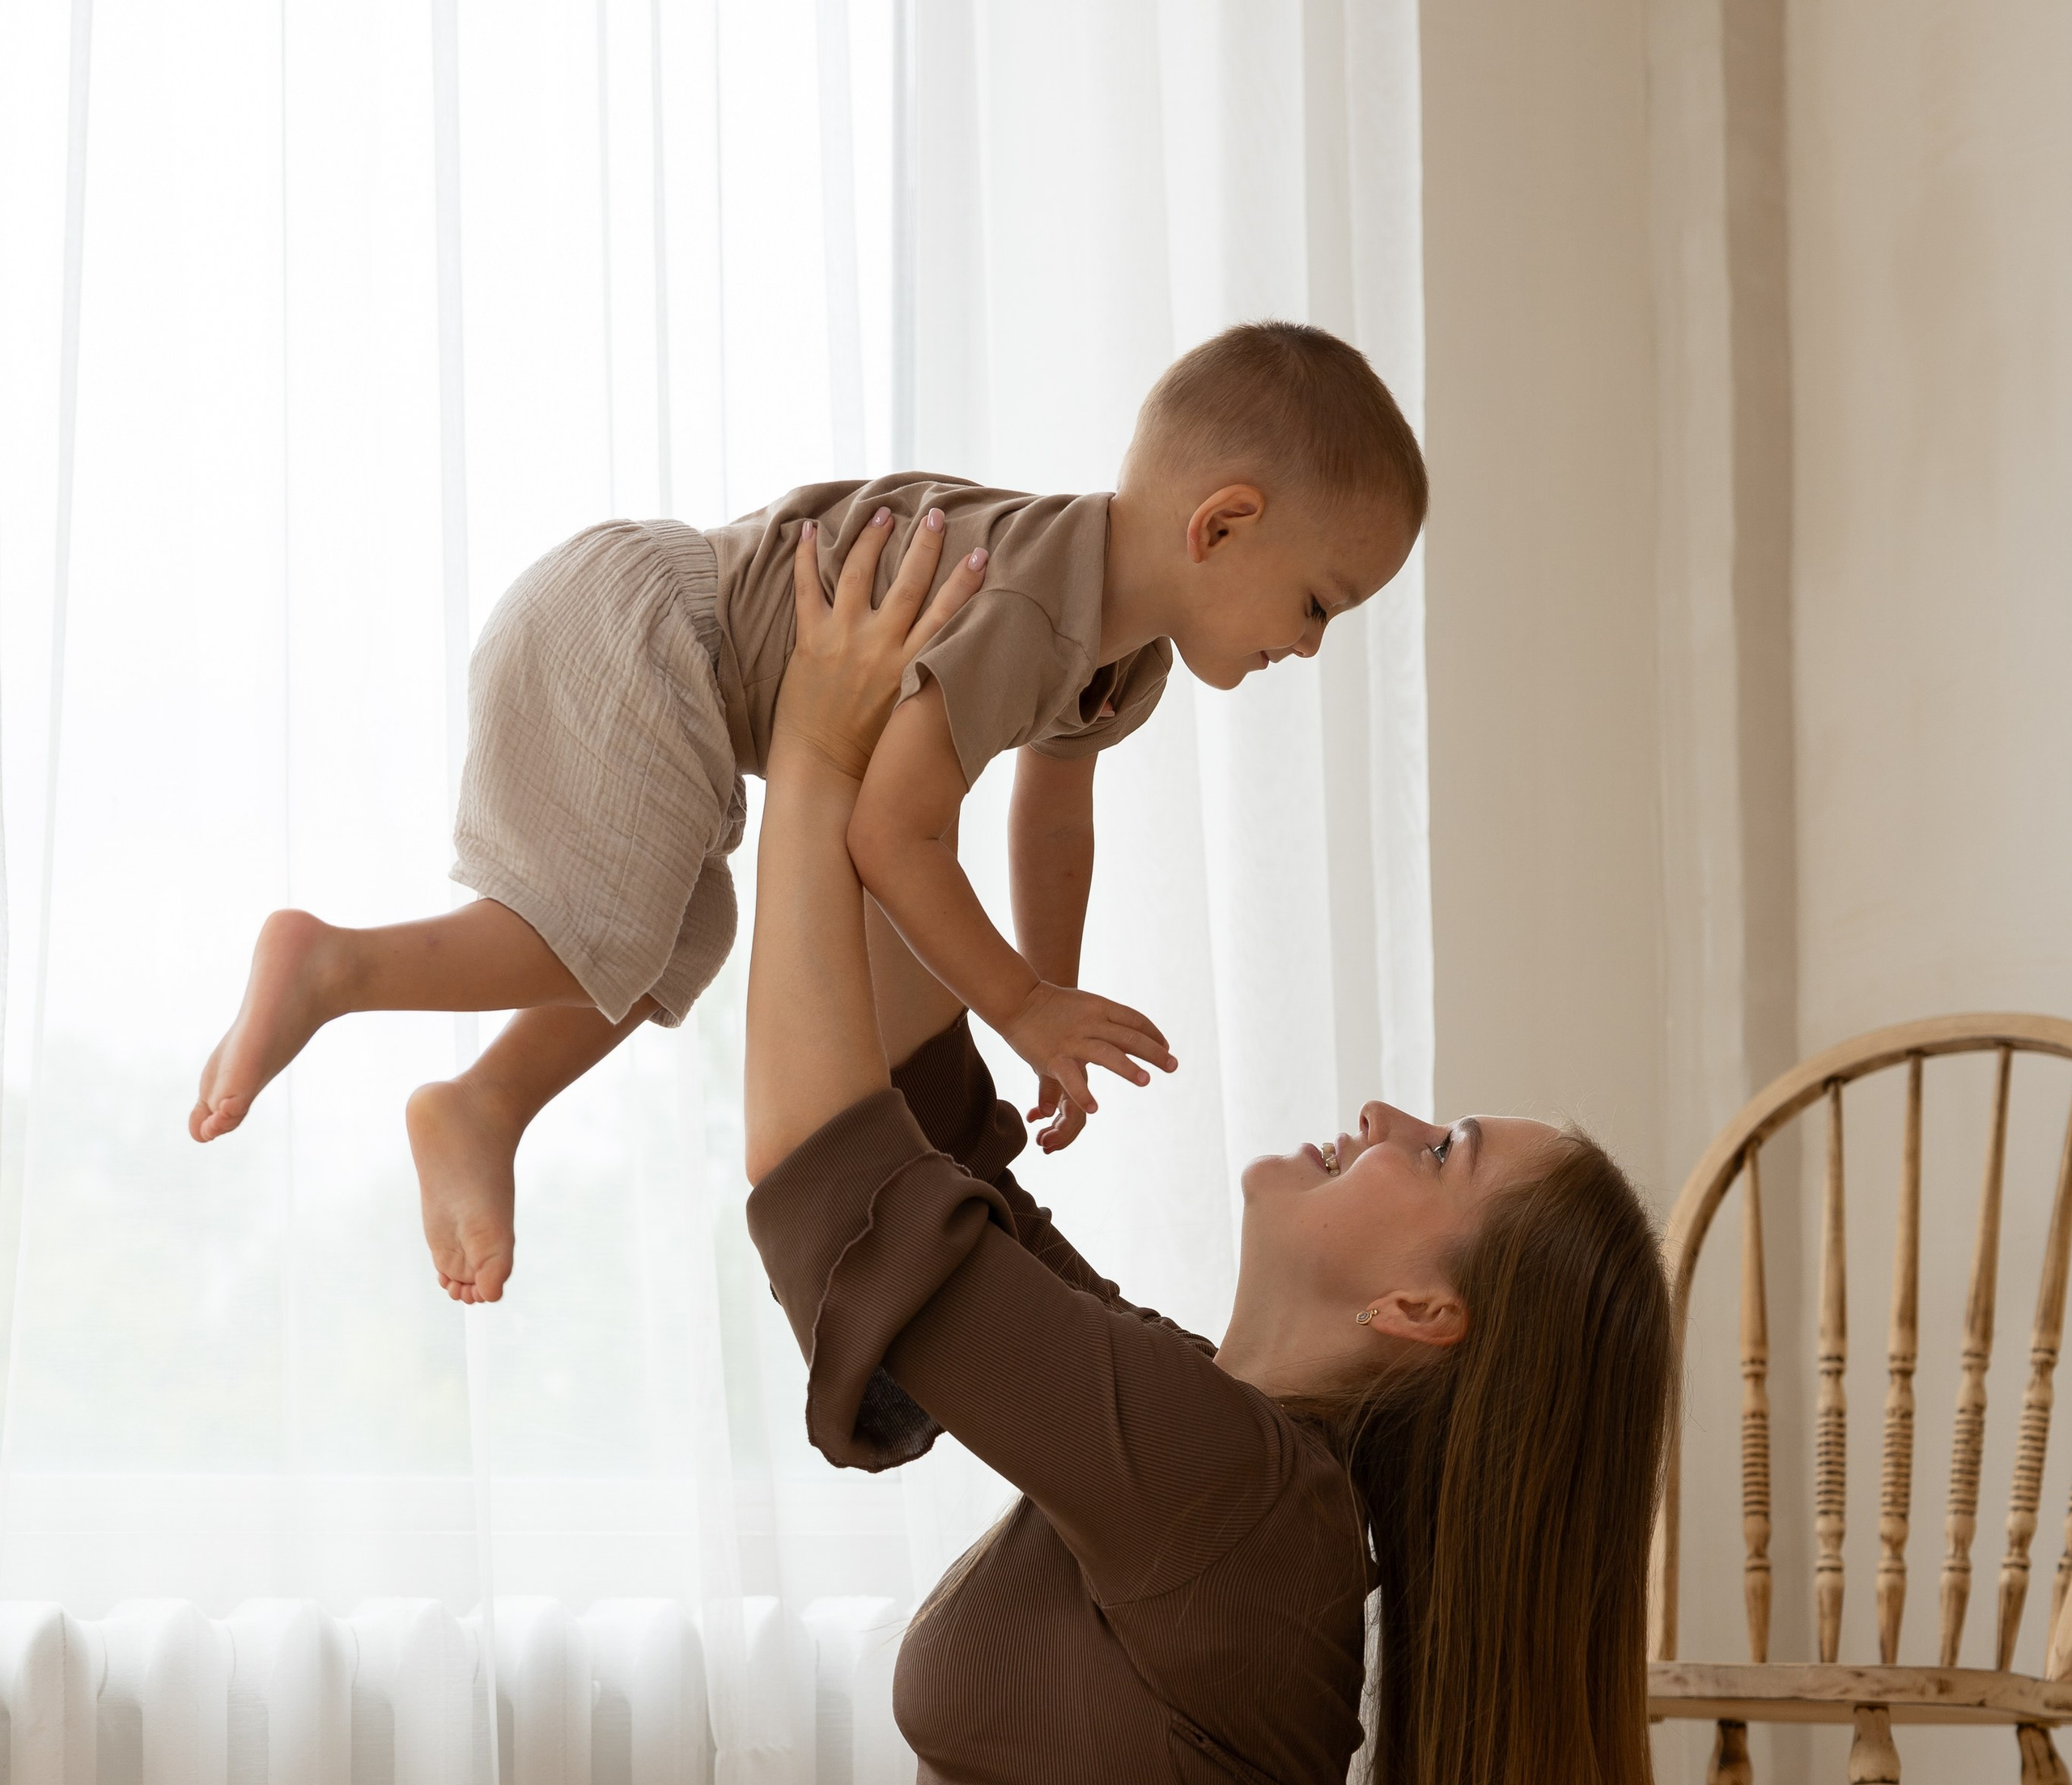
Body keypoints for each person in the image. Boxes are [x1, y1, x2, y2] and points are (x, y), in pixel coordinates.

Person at [0, 512, 1674, 1785]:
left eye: (1445, 1150)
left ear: (1422, 1309)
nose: (1394, 1113)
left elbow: (827, 1176)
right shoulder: (1199, 1442)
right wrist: (908, 735)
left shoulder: (1240, 1507)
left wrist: (804, 769)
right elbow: (904, 1088)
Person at [187, 323, 1425, 1303]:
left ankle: (488, 1100)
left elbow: (1054, 821)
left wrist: (1051, 1007)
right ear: (1223, 523)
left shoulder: (1120, 661)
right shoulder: (1039, 604)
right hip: (649, 625)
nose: (1310, 647)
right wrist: (1018, 1005)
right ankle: (332, 965)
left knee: (688, 935)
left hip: (683, 672)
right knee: (603, 932)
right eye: (1318, 605)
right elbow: (892, 836)